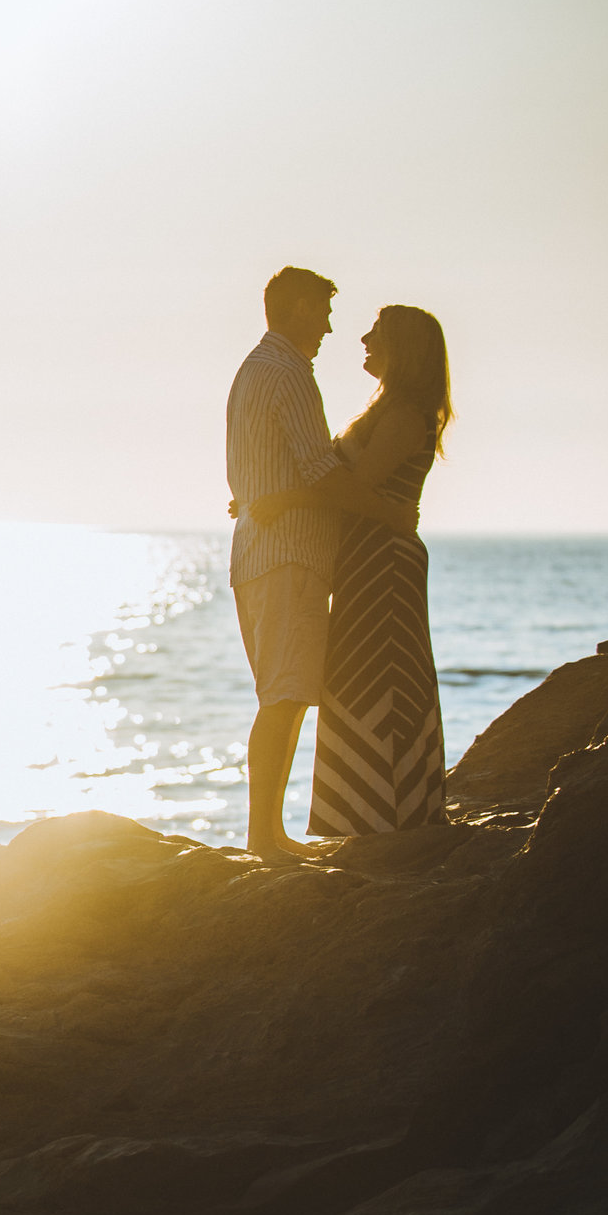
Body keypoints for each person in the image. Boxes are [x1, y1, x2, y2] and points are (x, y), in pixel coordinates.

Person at [223, 267, 417, 861]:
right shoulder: (287, 374)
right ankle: (264, 838)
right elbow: (319, 472)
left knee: (286, 694)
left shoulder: (256, 368)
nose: (332, 328)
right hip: (289, 555)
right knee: (284, 697)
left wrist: (267, 497)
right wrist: (390, 515)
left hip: (263, 550)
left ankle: (270, 833)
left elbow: (270, 471)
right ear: (302, 307)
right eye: (326, 313)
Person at [251, 305, 451, 835]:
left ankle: (386, 813)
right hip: (367, 558)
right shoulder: (387, 408)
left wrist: (282, 499)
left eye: (376, 334)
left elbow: (356, 489)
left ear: (402, 349)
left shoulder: (405, 414)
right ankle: (366, 812)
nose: (363, 339)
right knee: (358, 677)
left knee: (377, 677)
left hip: (384, 559)